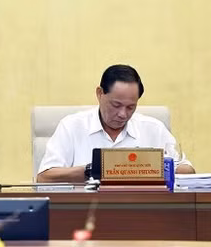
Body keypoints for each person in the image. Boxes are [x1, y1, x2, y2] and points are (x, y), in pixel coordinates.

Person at [37, 64, 195, 183]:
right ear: (100, 94)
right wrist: (94, 170)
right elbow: (44, 178)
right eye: (116, 105)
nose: (123, 114)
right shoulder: (71, 127)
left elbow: (188, 171)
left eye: (131, 107)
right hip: (86, 213)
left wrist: (151, 167)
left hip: (142, 213)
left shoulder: (153, 129)